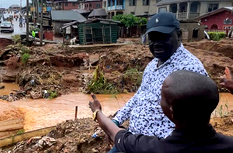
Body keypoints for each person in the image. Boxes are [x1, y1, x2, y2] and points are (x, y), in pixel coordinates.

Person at [108, 12, 207, 152]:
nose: (157, 43)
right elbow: (139, 95)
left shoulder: (190, 68)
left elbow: (197, 117)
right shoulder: (153, 64)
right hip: (134, 139)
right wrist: (117, 120)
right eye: (153, 38)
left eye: (164, 37)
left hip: (159, 146)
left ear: (178, 35)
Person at [89, 70, 233, 152]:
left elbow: (114, 132)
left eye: (162, 98)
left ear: (171, 111)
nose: (159, 101)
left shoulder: (153, 148)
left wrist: (97, 111)